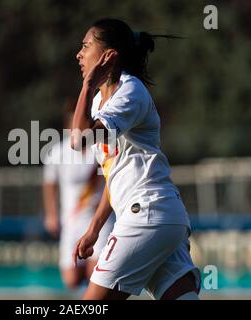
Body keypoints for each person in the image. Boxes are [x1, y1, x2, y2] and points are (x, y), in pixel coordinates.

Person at [71, 18, 201, 300]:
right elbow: (114, 173)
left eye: (86, 46)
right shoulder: (99, 103)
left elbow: (78, 140)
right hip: (162, 218)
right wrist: (93, 230)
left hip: (146, 215)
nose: (78, 54)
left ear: (109, 55)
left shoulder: (130, 90)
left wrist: (87, 85)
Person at [43, 101, 115, 290]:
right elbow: (49, 184)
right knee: (71, 279)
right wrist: (51, 215)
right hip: (72, 219)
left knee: (97, 275)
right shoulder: (58, 152)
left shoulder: (98, 148)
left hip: (99, 219)